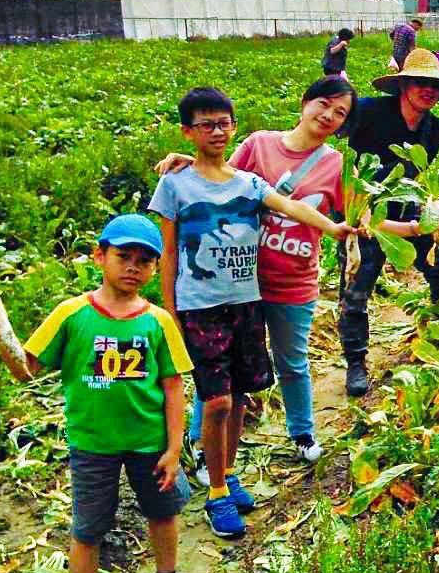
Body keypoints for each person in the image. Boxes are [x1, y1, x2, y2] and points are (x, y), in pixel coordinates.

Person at [0, 214, 194, 573]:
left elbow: (173, 386)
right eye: (123, 257)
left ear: (155, 268)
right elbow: (27, 368)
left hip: (149, 443)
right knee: (87, 529)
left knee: (162, 513)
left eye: (144, 260)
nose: (132, 267)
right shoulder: (72, 314)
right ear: (100, 257)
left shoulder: (158, 322)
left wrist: (174, 448)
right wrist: (1, 333)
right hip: (92, 445)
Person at [149, 87, 355, 539]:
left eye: (224, 124)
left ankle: (226, 472)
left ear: (233, 127)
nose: (217, 132)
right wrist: (169, 313)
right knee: (218, 399)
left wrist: (335, 228)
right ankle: (217, 491)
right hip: (199, 308)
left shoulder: (249, 184)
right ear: (188, 132)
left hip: (247, 303)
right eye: (206, 125)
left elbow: (294, 206)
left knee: (240, 396)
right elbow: (166, 253)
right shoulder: (176, 184)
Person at [340, 48, 439, 397]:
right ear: (404, 85)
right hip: (366, 210)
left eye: (435, 85)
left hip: (410, 207)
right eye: (422, 83)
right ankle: (356, 362)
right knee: (357, 288)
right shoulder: (368, 111)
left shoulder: (437, 128)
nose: (429, 90)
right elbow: (330, 133)